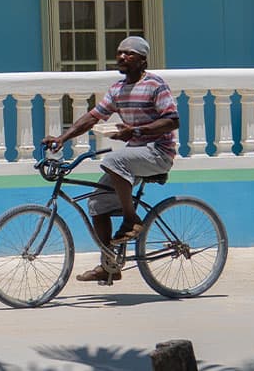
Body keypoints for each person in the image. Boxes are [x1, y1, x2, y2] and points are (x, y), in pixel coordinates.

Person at [42, 35, 179, 284]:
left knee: (114, 160)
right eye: (120, 53)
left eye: (129, 53)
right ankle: (109, 266)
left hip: (158, 151)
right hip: (136, 154)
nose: (122, 57)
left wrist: (136, 131)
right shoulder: (117, 89)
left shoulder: (155, 85)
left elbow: (172, 120)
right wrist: (62, 138)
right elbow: (93, 117)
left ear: (142, 60)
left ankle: (131, 220)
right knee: (97, 203)